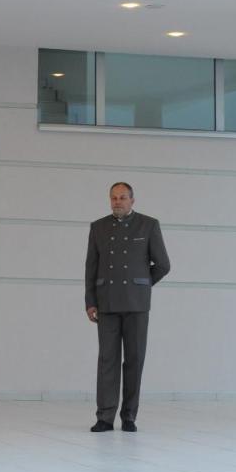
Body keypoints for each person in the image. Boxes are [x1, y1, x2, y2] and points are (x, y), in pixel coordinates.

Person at [85, 182, 170, 433]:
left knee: (134, 359)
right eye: (114, 198)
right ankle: (105, 417)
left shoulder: (148, 225)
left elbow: (163, 264)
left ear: (132, 200)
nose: (117, 202)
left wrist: (142, 284)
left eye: (122, 197)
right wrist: (90, 301)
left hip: (136, 304)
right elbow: (91, 268)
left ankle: (129, 416)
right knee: (107, 361)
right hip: (107, 302)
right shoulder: (98, 227)